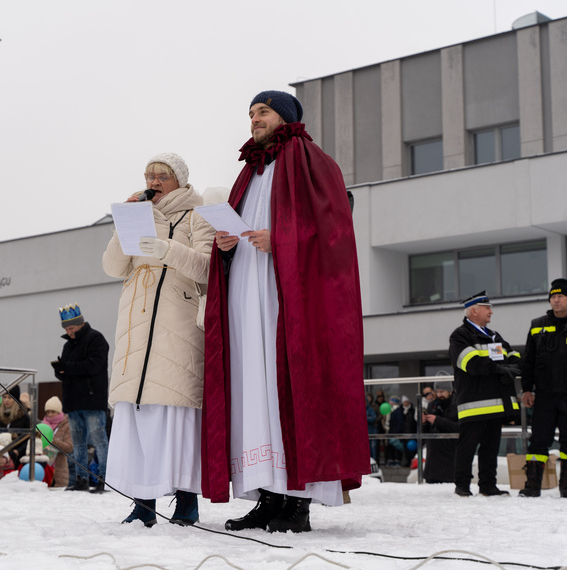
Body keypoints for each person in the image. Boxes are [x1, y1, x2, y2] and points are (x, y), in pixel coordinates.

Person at [203, 90, 370, 533]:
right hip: (246, 293)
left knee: (287, 389)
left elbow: (335, 232)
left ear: (286, 116)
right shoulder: (249, 173)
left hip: (286, 299)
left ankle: (298, 501)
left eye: (263, 111)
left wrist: (282, 240)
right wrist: (225, 245)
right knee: (254, 392)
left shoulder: (313, 161)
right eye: (251, 113)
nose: (254, 119)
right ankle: (267, 495)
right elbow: (240, 228)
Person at [102, 152, 214, 527]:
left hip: (177, 323)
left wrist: (167, 249)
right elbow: (113, 267)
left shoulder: (198, 213)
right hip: (136, 324)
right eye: (149, 175)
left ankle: (186, 502)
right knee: (138, 415)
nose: (153, 181)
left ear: (180, 180)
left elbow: (208, 267)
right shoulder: (139, 214)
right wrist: (124, 222)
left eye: (161, 176)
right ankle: (143, 502)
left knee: (175, 415)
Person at [519, 279, 567, 498]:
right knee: (538, 441)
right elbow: (529, 361)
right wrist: (526, 389)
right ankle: (532, 485)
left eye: (560, 296)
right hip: (544, 395)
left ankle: (566, 487)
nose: (556, 300)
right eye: (553, 296)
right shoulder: (537, 325)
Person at [449, 291, 520, 497]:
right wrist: (501, 370)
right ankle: (462, 485)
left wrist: (512, 369)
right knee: (467, 447)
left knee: (490, 448)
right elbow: (471, 363)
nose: (491, 312)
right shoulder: (460, 336)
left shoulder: (494, 336)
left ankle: (488, 485)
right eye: (487, 308)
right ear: (474, 311)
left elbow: (514, 356)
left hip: (496, 404)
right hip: (474, 404)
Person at [51, 305, 110, 494]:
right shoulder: (68, 345)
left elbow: (93, 366)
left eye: (72, 329)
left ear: (81, 324)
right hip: (74, 402)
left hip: (92, 400)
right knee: (78, 444)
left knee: (99, 441)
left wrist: (66, 368)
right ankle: (81, 479)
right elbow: (69, 372)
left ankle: (104, 479)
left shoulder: (96, 339)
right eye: (67, 330)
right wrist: (60, 370)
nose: (69, 333)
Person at [420, 380, 459, 484]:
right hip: (433, 460)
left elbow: (459, 428)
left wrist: (438, 420)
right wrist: (423, 422)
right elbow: (425, 432)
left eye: (442, 391)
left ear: (450, 391)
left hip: (450, 458)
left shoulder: (457, 404)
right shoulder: (432, 405)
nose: (439, 394)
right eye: (437, 392)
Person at [41, 396, 74, 488]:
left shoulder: (66, 425)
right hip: (43, 468)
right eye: (48, 412)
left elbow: (69, 447)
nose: (50, 414)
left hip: (59, 470)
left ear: (59, 412)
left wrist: (53, 441)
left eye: (53, 412)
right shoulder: (42, 425)